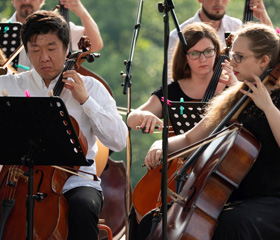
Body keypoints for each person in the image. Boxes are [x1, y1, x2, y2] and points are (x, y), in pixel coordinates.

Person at [145, 22, 280, 239]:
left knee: (230, 224)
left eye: (239, 57)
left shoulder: (277, 99)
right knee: (158, 221)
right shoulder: (235, 97)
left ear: (264, 60)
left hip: (271, 201)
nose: (230, 61)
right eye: (231, 55)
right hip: (229, 198)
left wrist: (267, 106)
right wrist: (162, 145)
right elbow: (191, 138)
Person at [0, 10, 127, 240]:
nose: (44, 57)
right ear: (26, 51)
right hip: (16, 179)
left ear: (67, 47)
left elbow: (118, 140)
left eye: (51, 48)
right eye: (35, 50)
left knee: (82, 207)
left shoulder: (91, 87)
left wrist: (86, 101)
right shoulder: (8, 85)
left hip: (76, 182)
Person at [127, 22, 236, 135]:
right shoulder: (172, 93)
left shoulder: (231, 86)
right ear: (184, 56)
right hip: (182, 152)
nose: (203, 59)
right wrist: (145, 116)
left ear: (216, 50)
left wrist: (235, 87)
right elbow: (131, 119)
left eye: (208, 51)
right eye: (194, 53)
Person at [168, 0, 273, 81]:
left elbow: (271, 53)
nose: (218, 2)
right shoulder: (177, 36)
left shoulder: (236, 26)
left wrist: (265, 20)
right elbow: (173, 78)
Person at [8, 0, 103, 71]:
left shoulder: (56, 29)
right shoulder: (3, 30)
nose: (26, 1)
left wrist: (81, 11)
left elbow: (95, 44)